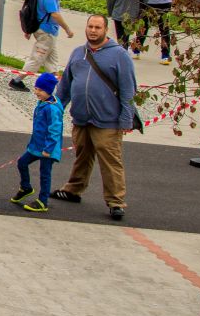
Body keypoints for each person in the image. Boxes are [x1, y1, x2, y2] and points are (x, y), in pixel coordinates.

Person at [52, 14, 138, 221]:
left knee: (110, 161)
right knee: (82, 155)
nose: (93, 30)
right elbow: (65, 85)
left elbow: (128, 90)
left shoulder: (119, 55)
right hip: (81, 118)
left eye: (97, 27)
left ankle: (116, 202)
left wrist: (126, 119)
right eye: (90, 26)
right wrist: (56, 109)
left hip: (107, 121)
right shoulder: (78, 53)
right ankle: (73, 189)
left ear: (106, 30)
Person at [9, 0, 73, 93]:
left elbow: (33, 10)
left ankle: (58, 86)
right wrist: (67, 29)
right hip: (47, 33)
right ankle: (16, 81)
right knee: (36, 59)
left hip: (42, 30)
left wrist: (29, 30)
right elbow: (55, 14)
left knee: (52, 61)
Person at [11, 73, 65, 213]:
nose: (36, 92)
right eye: (36, 88)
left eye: (40, 90)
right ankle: (26, 187)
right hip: (37, 145)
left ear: (49, 90)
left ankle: (43, 201)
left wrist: (49, 148)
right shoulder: (43, 103)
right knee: (22, 163)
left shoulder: (52, 108)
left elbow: (55, 130)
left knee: (45, 174)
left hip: (47, 149)